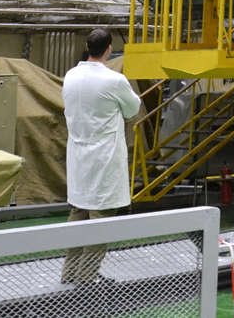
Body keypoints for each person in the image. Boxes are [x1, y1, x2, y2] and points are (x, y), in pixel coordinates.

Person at [61, 27, 142, 285]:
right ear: (109, 49)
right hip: (104, 159)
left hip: (78, 157)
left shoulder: (70, 76)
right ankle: (86, 279)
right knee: (101, 218)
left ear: (87, 46)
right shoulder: (115, 80)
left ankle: (69, 272)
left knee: (78, 212)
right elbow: (133, 109)